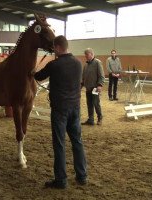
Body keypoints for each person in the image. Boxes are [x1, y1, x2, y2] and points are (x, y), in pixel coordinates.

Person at [33, 35, 87, 189]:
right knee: (77, 142)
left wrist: (33, 70)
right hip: (75, 107)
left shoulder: (54, 65)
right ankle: (82, 176)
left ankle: (61, 180)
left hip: (60, 110)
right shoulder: (78, 63)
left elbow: (38, 76)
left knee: (59, 144)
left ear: (57, 47)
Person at [81, 48, 105, 126]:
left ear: (91, 54)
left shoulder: (97, 62)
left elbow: (101, 75)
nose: (86, 56)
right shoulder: (86, 65)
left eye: (87, 55)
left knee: (96, 103)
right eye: (85, 55)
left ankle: (100, 118)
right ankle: (90, 119)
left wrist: (100, 85)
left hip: (95, 88)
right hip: (88, 88)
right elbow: (83, 77)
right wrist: (81, 85)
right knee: (89, 104)